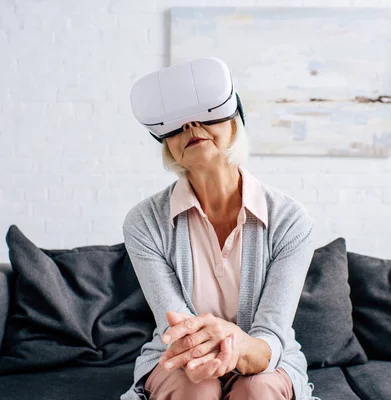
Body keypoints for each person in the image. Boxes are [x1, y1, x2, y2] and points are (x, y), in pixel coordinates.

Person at [120, 58, 318, 400]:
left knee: (257, 390)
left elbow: (270, 336)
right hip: (182, 358)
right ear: (167, 144)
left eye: (206, 116)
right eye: (177, 125)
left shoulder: (290, 220)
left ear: (235, 121)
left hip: (265, 355)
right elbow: (177, 330)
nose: (192, 126)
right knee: (197, 387)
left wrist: (238, 348)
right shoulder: (143, 222)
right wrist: (212, 351)